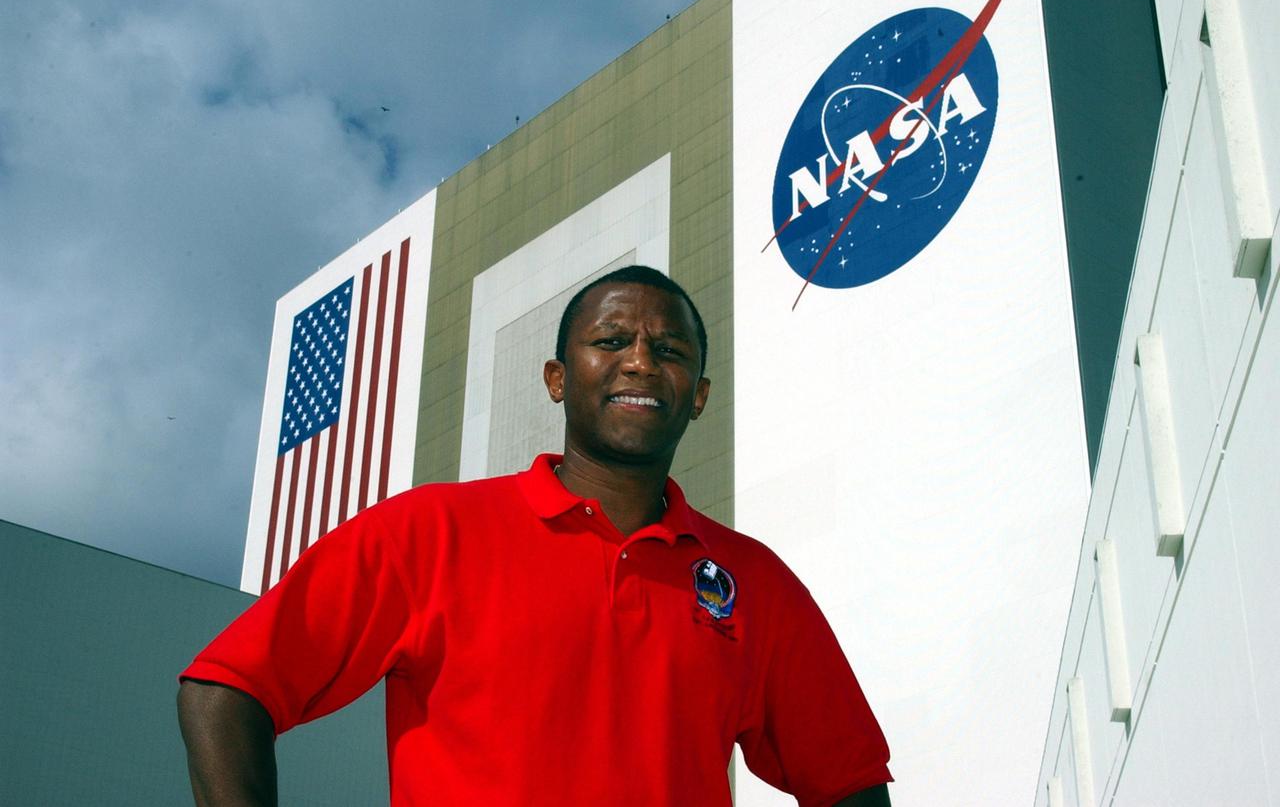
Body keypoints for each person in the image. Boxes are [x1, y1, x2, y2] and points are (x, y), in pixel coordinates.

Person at [178, 265, 892, 806]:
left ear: (698, 392)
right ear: (557, 379)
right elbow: (226, 689)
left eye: (669, 349)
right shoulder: (430, 532)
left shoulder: (753, 581)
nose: (641, 360)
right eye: (611, 340)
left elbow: (850, 781)